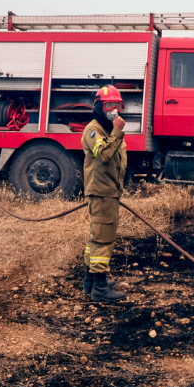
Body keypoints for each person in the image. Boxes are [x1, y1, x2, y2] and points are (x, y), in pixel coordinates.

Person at [81, 85, 128, 302]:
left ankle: (90, 281)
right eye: (109, 106)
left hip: (108, 192)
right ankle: (100, 289)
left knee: (96, 237)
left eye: (117, 106)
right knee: (103, 239)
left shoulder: (106, 130)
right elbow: (105, 155)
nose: (114, 111)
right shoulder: (94, 130)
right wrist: (118, 132)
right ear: (98, 106)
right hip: (102, 192)